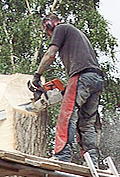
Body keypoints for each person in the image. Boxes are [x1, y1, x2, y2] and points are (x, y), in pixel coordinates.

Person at [32, 13, 104, 165]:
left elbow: (50, 54)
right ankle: (92, 159)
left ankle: (62, 155)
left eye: (47, 32)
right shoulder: (76, 35)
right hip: (96, 79)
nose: (49, 35)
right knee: (87, 121)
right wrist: (66, 91)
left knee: (67, 116)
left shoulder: (61, 28)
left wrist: (37, 75)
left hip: (81, 75)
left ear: (49, 25)